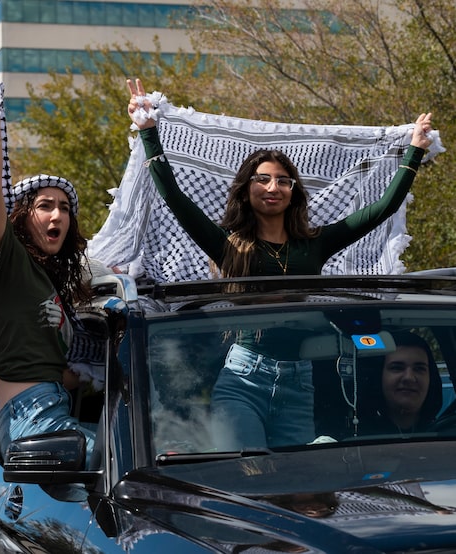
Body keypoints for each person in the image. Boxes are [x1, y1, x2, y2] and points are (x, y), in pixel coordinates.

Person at [126, 77, 434, 449]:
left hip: (300, 381)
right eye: (263, 180)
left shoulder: (315, 244)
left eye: (283, 181)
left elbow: (380, 210)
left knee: (295, 483)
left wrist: (415, 150)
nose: (273, 188)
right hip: (243, 378)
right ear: (247, 189)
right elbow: (175, 199)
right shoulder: (230, 246)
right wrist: (148, 133)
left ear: (293, 193)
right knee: (248, 470)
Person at [0, 76, 96, 458]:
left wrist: (94, 374)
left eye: (64, 208)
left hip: (54, 412)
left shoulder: (48, 282)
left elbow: (43, 369)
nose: (57, 213)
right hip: (33, 423)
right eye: (45, 205)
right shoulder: (9, 261)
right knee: (133, 462)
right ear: (24, 216)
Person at [359, 331, 442, 436]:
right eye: (397, 368)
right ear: (379, 376)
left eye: (419, 369)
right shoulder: (359, 438)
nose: (409, 378)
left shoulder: (445, 433)